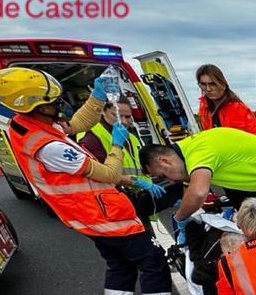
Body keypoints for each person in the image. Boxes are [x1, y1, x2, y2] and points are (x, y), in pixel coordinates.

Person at [0, 67, 199, 295]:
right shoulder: (48, 148)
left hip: (89, 216)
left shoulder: (31, 126)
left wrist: (97, 97)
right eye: (52, 102)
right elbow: (107, 173)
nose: (59, 105)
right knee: (151, 261)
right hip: (105, 214)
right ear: (35, 106)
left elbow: (77, 124)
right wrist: (116, 145)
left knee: (120, 266)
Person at [139, 128, 256, 257]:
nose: (170, 181)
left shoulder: (198, 152)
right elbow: (192, 187)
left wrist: (180, 218)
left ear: (164, 160)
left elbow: (198, 192)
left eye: (163, 175)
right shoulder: (189, 152)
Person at [77, 97, 183, 229]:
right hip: (116, 206)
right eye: (116, 115)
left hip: (137, 202)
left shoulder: (130, 137)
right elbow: (100, 174)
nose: (123, 121)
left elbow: (138, 168)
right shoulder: (91, 139)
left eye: (127, 117)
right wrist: (138, 182)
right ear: (103, 112)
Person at [195, 64, 256, 135]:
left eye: (212, 84)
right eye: (203, 84)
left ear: (222, 84)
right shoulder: (204, 108)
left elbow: (252, 137)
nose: (208, 89)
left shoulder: (238, 109)